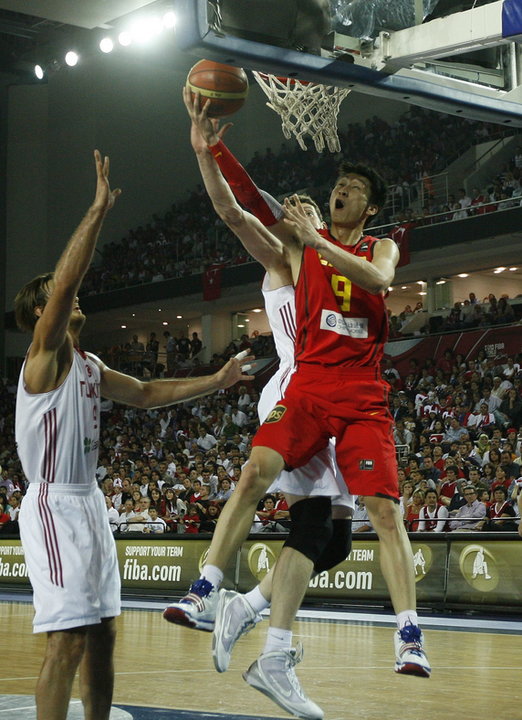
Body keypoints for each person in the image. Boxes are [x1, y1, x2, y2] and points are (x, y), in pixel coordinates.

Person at [166, 90, 430, 715]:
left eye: (340, 191)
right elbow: (241, 208)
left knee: (331, 538)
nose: (320, 200)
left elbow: (379, 277)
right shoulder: (289, 255)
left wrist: (314, 233)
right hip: (298, 386)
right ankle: (222, 598)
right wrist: (211, 150)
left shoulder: (366, 248)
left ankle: (258, 623)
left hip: (355, 393)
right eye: (317, 194)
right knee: (299, 513)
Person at [13, 150, 252, 720]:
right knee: (66, 640)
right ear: (44, 311)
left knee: (103, 636)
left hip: (90, 504)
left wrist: (216, 380)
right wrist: (96, 213)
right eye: (61, 295)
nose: (74, 298)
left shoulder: (89, 364)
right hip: (52, 504)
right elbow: (68, 279)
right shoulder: (42, 357)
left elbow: (146, 393)